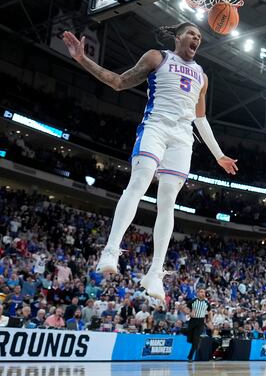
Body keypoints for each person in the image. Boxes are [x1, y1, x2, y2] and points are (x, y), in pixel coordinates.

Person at [62, 23, 238, 300]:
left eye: (200, 37)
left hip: (182, 138)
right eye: (192, 33)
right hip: (155, 127)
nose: (197, 38)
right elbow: (119, 82)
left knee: (168, 202)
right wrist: (83, 59)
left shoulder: (202, 76)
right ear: (179, 36)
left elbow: (200, 118)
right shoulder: (158, 57)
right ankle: (111, 249)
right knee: (139, 183)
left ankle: (156, 273)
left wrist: (218, 155)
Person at [185, 288, 212, 361]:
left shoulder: (206, 303)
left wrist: (209, 320)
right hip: (192, 321)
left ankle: (190, 356)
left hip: (200, 322)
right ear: (198, 293)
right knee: (190, 339)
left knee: (195, 340)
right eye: (201, 292)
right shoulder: (193, 301)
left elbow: (210, 312)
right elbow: (185, 309)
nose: (203, 293)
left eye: (204, 292)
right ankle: (196, 343)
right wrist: (190, 313)